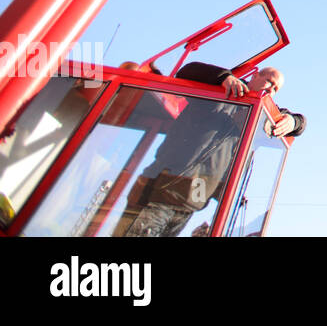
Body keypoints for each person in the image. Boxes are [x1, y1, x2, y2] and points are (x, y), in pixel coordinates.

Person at [119, 63, 304, 237]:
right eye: (269, 81)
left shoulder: (256, 117)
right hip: (161, 190)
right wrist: (224, 78)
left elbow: (300, 123)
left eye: (276, 89)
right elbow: (187, 71)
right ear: (255, 75)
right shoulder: (220, 93)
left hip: (189, 205)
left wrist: (292, 121)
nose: (271, 89)